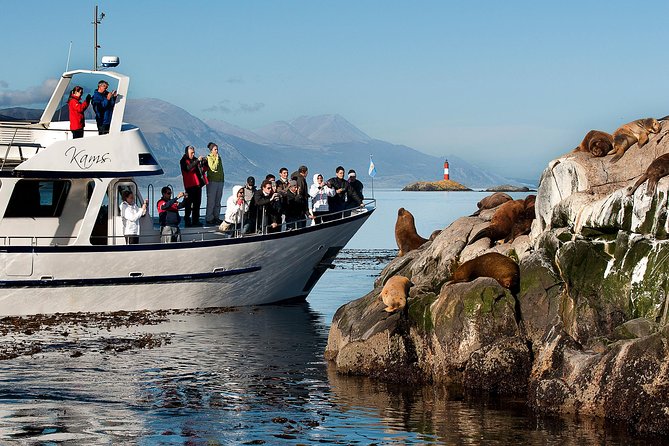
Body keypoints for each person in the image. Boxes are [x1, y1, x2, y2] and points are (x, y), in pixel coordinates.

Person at [180, 145, 208, 227]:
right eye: (191, 153)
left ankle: (196, 221)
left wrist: (205, 163)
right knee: (188, 205)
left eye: (194, 153)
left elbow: (202, 170)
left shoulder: (195, 160)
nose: (193, 154)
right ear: (187, 152)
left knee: (197, 204)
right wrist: (197, 161)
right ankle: (187, 220)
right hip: (189, 186)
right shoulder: (183, 161)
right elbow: (187, 168)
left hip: (197, 185)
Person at [205, 142, 224, 225]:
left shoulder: (219, 158)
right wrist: (216, 159)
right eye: (215, 149)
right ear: (211, 150)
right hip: (212, 181)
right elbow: (213, 167)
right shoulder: (209, 158)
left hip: (220, 181)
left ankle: (216, 216)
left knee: (218, 201)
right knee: (211, 201)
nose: (217, 151)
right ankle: (209, 217)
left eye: (217, 149)